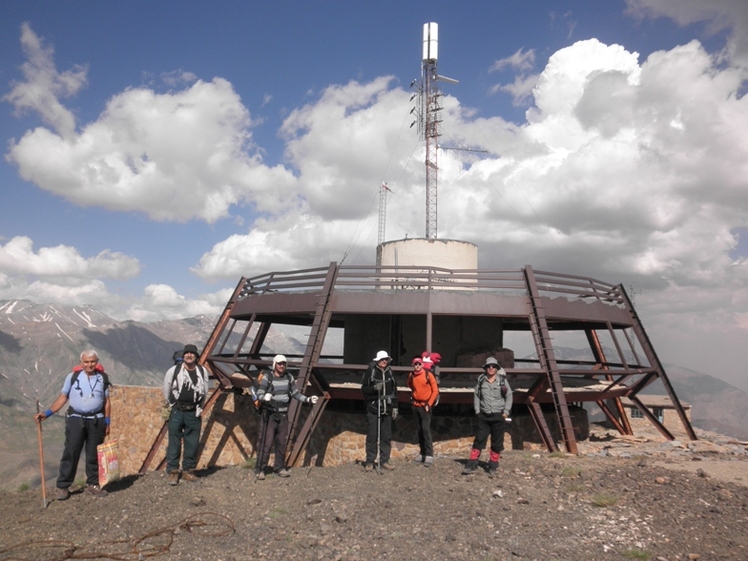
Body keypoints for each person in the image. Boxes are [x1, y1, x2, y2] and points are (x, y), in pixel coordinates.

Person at [34, 350, 112, 499]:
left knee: (93, 453)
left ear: (97, 362)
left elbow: (107, 402)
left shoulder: (103, 378)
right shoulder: (73, 377)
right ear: (81, 363)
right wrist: (47, 413)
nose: (90, 364)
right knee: (71, 451)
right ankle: (63, 486)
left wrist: (107, 422)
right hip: (76, 419)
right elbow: (63, 397)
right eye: (86, 362)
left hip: (96, 420)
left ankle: (93, 484)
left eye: (92, 361)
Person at [254, 354, 318, 480]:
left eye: (283, 363)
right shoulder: (268, 377)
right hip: (270, 414)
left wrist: (308, 399)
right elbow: (259, 393)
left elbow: (295, 394)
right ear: (274, 364)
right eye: (279, 363)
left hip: (283, 415)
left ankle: (279, 468)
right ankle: (260, 469)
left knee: (281, 443)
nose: (281, 366)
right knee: (266, 443)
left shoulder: (289, 378)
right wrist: (264, 397)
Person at [163, 344, 210, 485]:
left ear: (196, 356)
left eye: (192, 353)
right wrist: (170, 403)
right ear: (183, 355)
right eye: (187, 353)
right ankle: (173, 471)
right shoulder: (174, 370)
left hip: (193, 412)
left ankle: (188, 471)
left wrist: (199, 407)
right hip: (177, 410)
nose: (189, 355)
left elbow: (205, 391)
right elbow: (167, 387)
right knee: (174, 441)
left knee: (192, 442)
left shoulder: (202, 372)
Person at [462, 357, 513, 476]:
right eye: (489, 366)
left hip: (498, 415)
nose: (491, 368)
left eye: (493, 366)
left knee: (497, 441)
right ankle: (472, 463)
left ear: (497, 369)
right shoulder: (481, 381)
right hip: (484, 416)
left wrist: (506, 411)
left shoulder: (502, 381)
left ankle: (493, 465)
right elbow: (477, 396)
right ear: (485, 368)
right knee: (479, 439)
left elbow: (509, 396)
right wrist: (477, 411)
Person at [361, 350, 398, 472]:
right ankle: (370, 461)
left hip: (387, 408)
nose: (384, 361)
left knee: (386, 436)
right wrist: (374, 389)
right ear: (377, 361)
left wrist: (395, 407)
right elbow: (364, 389)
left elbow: (394, 392)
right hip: (374, 408)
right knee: (372, 436)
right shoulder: (371, 372)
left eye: (386, 359)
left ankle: (384, 461)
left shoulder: (390, 373)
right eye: (382, 359)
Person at [407, 355, 439, 467]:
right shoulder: (411, 375)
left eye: (419, 363)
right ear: (412, 365)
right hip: (415, 405)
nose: (417, 366)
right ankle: (422, 453)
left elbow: (435, 391)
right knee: (419, 430)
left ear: (422, 364)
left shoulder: (428, 374)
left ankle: (429, 454)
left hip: (425, 406)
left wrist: (429, 404)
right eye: (415, 364)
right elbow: (410, 386)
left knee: (426, 430)